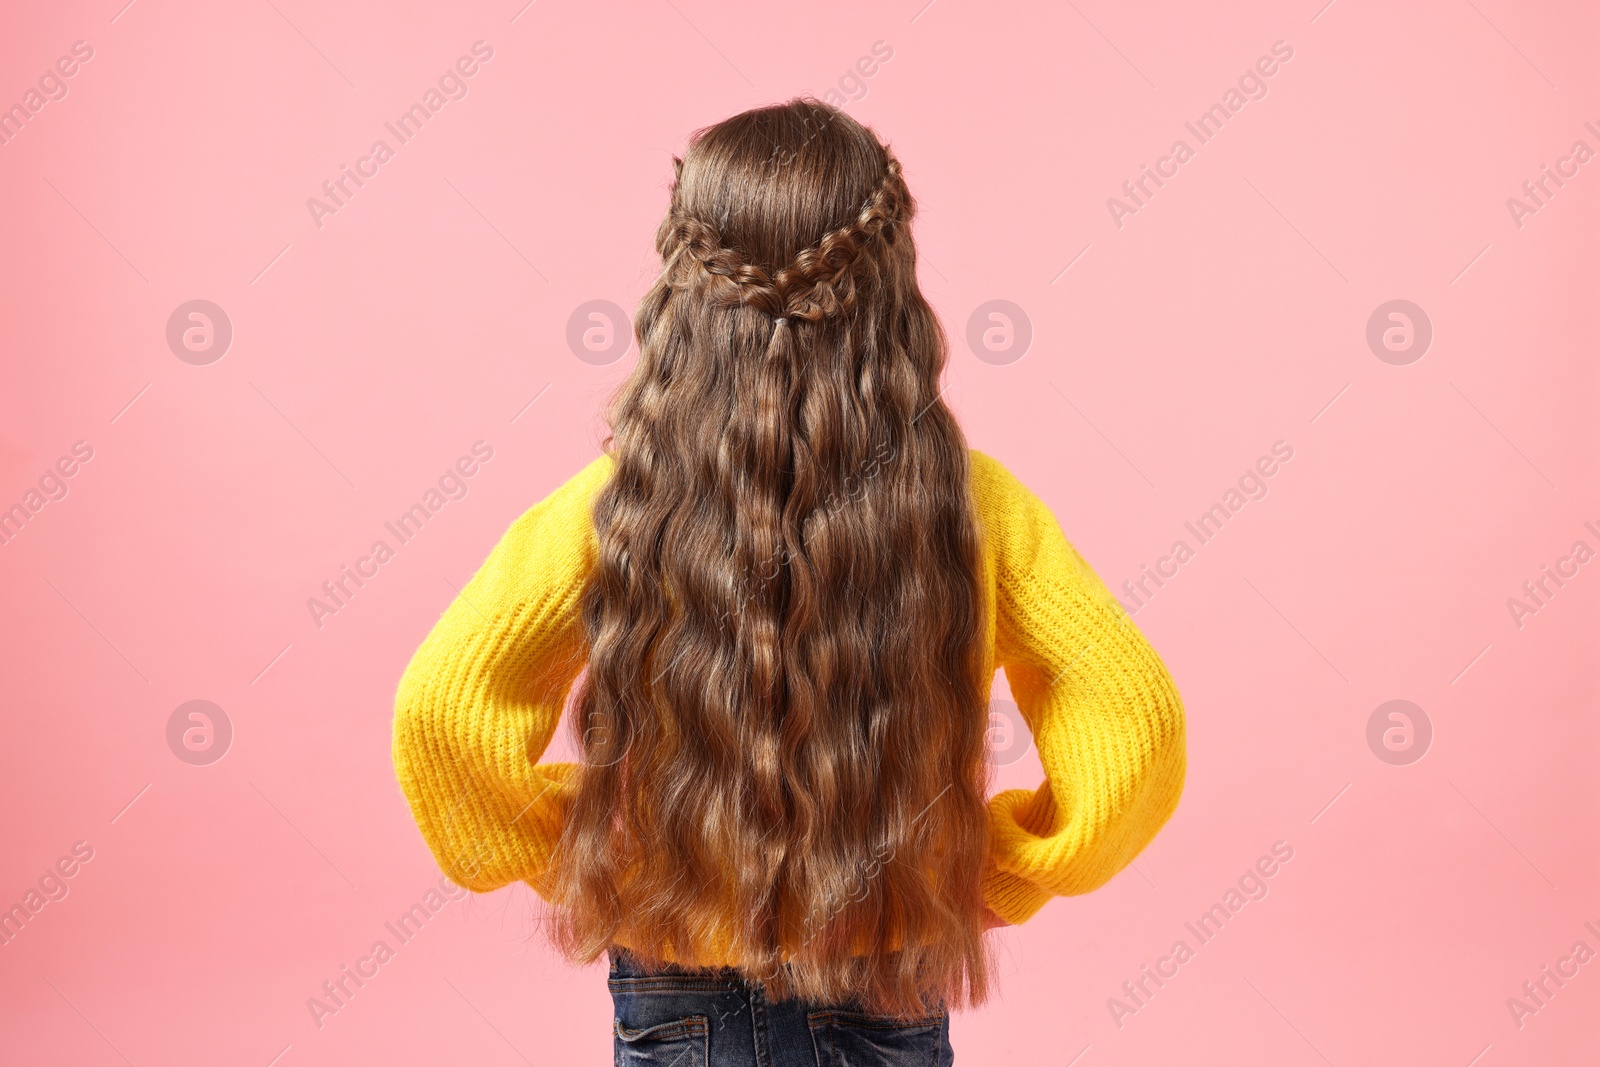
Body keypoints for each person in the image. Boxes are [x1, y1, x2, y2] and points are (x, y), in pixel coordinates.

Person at [391, 97, 1186, 1065]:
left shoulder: (616, 506)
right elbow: (1135, 721)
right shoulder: (971, 507)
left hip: (671, 987)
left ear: (685, 289)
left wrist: (597, 853)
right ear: (890, 287)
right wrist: (999, 864)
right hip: (880, 985)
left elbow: (440, 710)